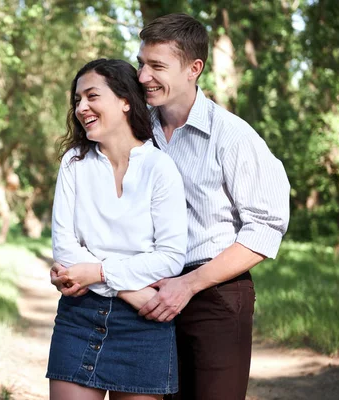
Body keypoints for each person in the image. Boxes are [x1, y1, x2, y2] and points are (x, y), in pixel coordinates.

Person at [51, 14, 291, 400]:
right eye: (142, 63)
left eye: (157, 66)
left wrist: (189, 284)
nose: (143, 76)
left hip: (214, 290)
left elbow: (265, 227)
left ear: (194, 69)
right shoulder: (136, 129)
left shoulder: (232, 137)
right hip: (145, 292)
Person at [47, 58, 188, 400]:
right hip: (84, 315)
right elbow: (64, 250)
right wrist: (131, 291)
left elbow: (170, 259)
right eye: (77, 100)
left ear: (125, 100)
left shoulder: (161, 168)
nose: (82, 108)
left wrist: (95, 272)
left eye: (92, 96)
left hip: (143, 327)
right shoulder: (74, 162)